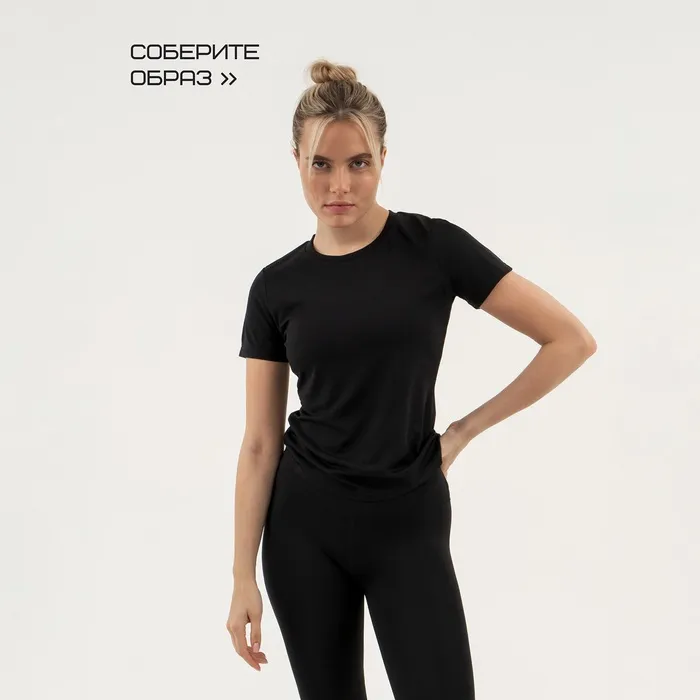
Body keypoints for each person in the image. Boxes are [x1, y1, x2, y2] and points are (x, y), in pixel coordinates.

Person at [226, 58, 597, 700]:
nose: (340, 184)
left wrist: (464, 430)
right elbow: (260, 443)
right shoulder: (275, 287)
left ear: (383, 158)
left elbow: (569, 340)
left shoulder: (434, 249)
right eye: (321, 164)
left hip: (409, 519)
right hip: (303, 529)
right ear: (296, 162)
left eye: (358, 163)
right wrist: (241, 578)